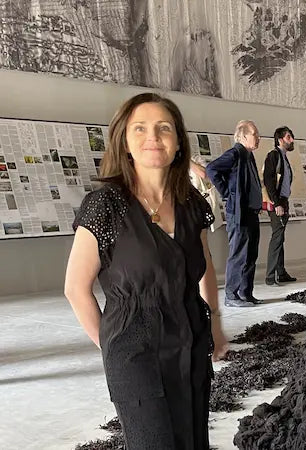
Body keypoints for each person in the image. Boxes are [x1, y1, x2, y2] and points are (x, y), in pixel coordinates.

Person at [64, 92, 228, 449]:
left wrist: (214, 322)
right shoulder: (105, 206)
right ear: (124, 141)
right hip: (134, 350)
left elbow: (204, 267)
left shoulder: (192, 205)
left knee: (192, 438)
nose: (152, 137)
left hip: (190, 341)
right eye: (140, 128)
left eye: (164, 128)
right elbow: (76, 287)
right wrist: (111, 346)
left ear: (178, 143)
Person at [206, 120, 263, 307]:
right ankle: (231, 295)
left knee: (251, 254)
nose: (258, 137)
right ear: (244, 136)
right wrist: (228, 194)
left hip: (251, 213)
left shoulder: (248, 155)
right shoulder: (235, 153)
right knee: (239, 254)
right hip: (240, 214)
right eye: (255, 134)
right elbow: (212, 169)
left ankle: (246, 293)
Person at [262, 126, 297, 286]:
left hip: (283, 200)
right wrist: (277, 203)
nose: (292, 140)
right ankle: (270, 276)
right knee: (277, 237)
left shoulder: (283, 157)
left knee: (280, 236)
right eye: (289, 137)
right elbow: (269, 181)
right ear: (280, 139)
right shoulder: (274, 156)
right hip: (278, 202)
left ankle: (281, 273)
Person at [189, 155, 223, 233]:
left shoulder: (196, 159)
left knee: (202, 234)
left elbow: (204, 174)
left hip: (199, 203)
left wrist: (188, 162)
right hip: (185, 205)